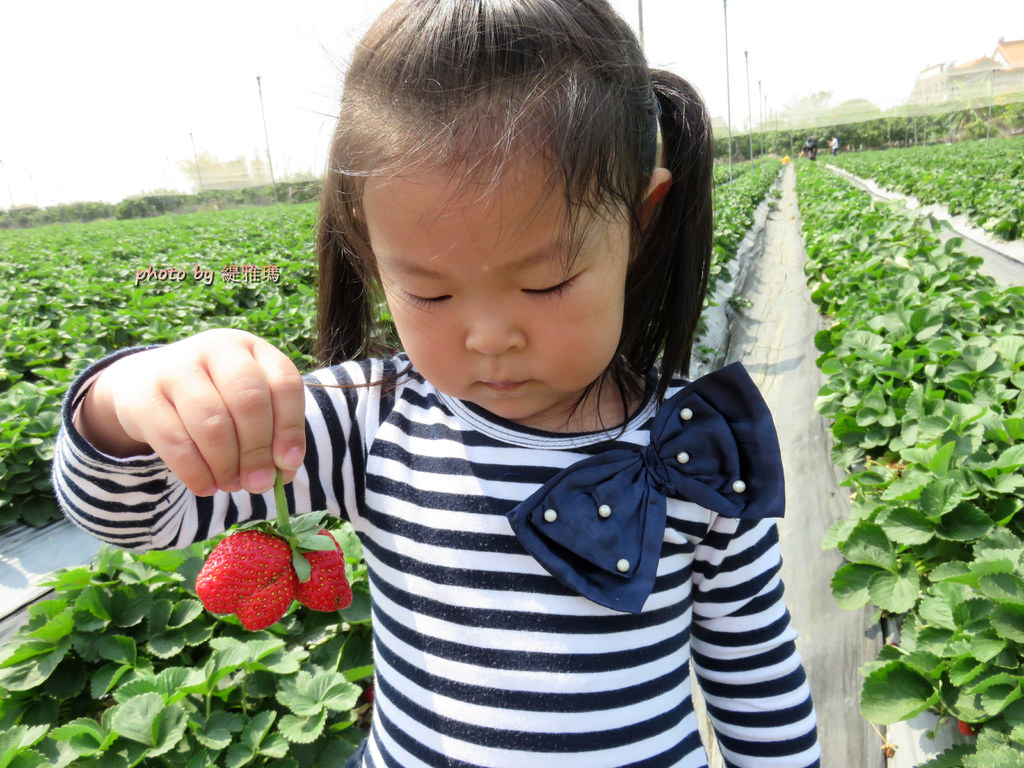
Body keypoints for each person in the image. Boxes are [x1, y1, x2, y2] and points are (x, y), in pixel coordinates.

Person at [52, 1, 820, 766]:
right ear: (369, 246)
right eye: (431, 293)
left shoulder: (700, 452)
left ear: (641, 220)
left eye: (548, 281)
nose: (489, 337)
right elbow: (143, 517)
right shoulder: (370, 422)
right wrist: (126, 402)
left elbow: (755, 672)